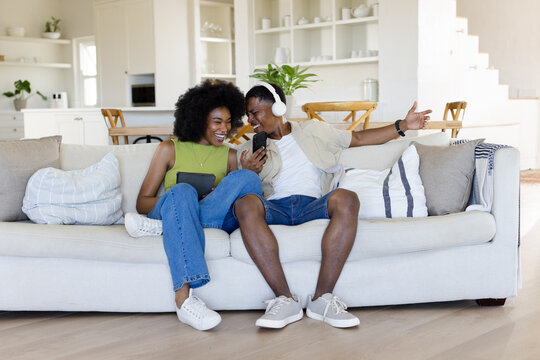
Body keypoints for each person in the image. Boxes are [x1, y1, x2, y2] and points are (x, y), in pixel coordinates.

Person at [234, 82, 431, 329]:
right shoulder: (249, 149)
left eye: (255, 112)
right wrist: (248, 172)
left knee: (347, 197)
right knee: (245, 204)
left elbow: (357, 138)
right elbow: (232, 185)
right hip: (274, 208)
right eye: (248, 114)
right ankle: (284, 299)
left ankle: (322, 299)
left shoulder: (314, 130)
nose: (250, 119)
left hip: (313, 205)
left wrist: (404, 125)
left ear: (278, 107)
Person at [124, 79, 262, 331]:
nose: (225, 128)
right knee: (182, 192)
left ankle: (168, 226)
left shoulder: (230, 155)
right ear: (199, 119)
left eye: (229, 121)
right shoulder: (169, 149)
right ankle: (185, 300)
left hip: (214, 218)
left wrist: (232, 181)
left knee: (247, 178)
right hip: (174, 204)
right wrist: (184, 203)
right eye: (217, 121)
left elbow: (234, 204)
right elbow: (142, 202)